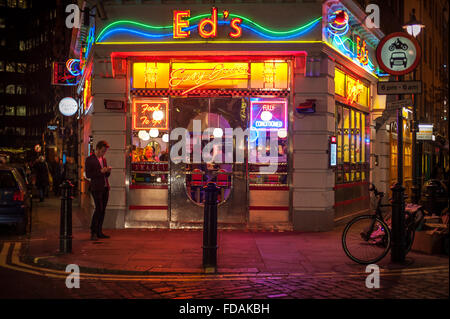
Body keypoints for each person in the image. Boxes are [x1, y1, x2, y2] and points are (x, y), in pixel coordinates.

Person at [85, 141, 112, 240]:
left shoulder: (103, 159)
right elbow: (88, 175)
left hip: (105, 187)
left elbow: (105, 175)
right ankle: (93, 231)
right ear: (98, 148)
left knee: (102, 210)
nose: (103, 153)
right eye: (102, 151)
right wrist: (100, 171)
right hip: (96, 187)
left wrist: (107, 171)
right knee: (98, 208)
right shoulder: (90, 159)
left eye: (105, 151)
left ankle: (99, 231)